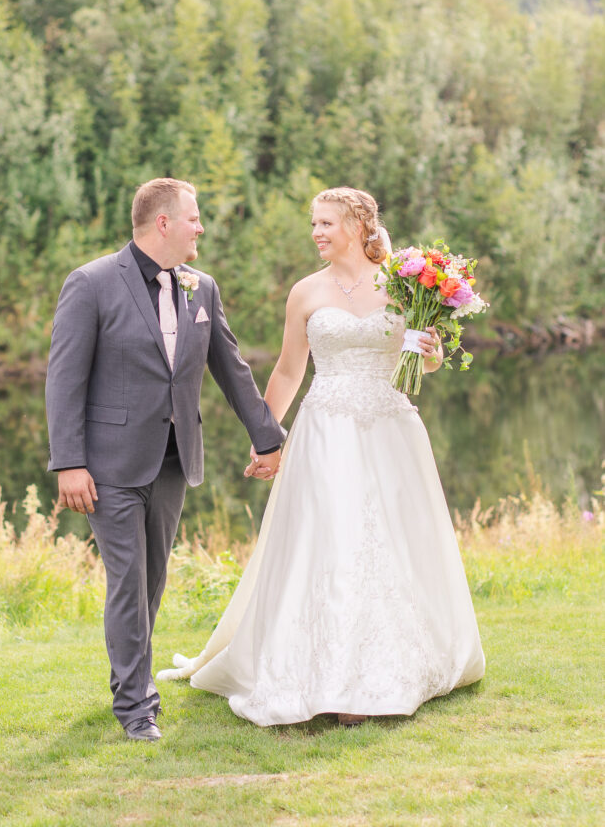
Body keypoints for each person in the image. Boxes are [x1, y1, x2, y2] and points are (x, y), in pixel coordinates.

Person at [158, 186, 485, 726]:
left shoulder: (404, 287)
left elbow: (422, 364)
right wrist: (264, 435)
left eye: (326, 223)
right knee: (333, 541)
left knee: (391, 544)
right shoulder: (305, 292)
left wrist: (430, 352)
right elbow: (289, 370)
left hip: (390, 432)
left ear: (357, 226)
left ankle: (382, 668)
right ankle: (328, 674)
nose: (316, 233)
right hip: (326, 431)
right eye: (314, 224)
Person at [45, 177, 285, 742]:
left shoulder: (201, 288)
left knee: (150, 583)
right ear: (163, 223)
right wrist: (68, 463)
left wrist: (269, 437)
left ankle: (129, 683)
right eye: (194, 217)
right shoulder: (92, 283)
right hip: (107, 464)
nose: (201, 227)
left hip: (174, 460)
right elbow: (64, 379)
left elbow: (230, 368)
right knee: (128, 581)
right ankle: (136, 707)